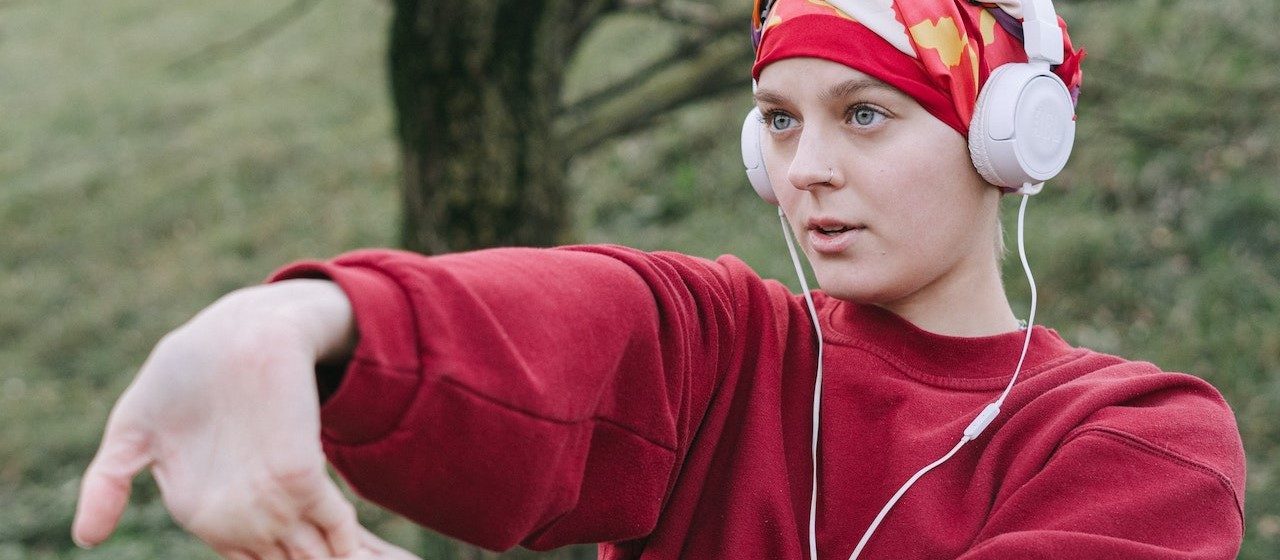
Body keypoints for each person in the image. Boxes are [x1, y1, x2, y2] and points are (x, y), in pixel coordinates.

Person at [72, 0, 1246, 558]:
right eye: (778, 121)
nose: (808, 171)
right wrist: (308, 323)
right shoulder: (732, 351)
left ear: (1006, 139)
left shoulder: (1140, 440)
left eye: (866, 114)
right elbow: (582, 325)